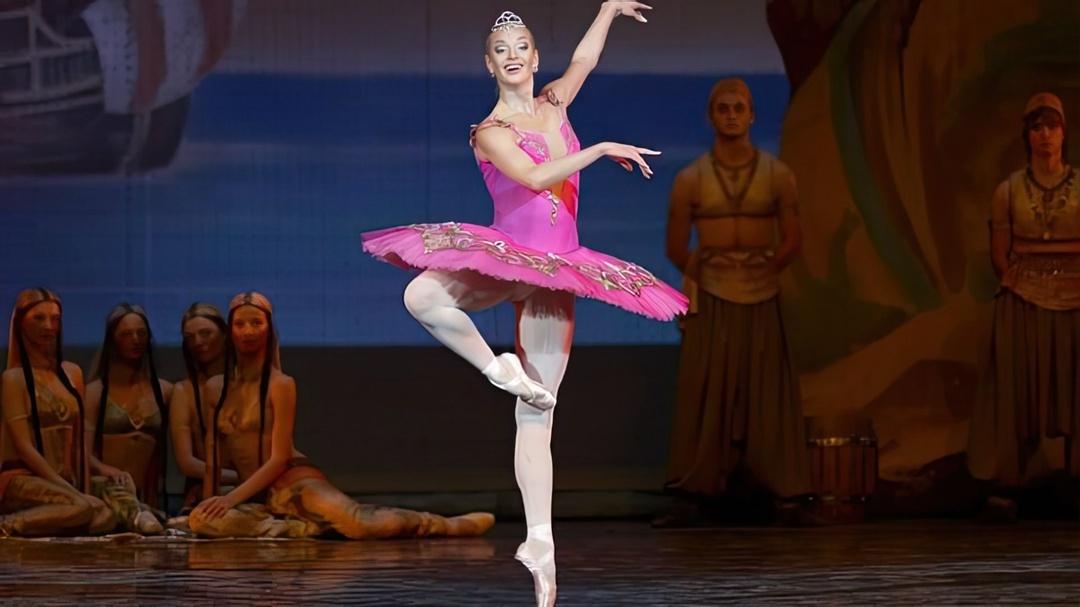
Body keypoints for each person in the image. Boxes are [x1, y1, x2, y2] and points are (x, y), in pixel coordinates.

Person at [361, 4, 685, 605]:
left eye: (521, 47)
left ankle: (541, 546)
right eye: (501, 50)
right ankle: (495, 367)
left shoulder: (556, 102)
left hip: (560, 269)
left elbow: (585, 60)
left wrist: (608, 9)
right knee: (421, 294)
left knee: (538, 414)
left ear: (535, 58)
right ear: (489, 65)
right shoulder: (489, 132)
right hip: (511, 257)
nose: (512, 56)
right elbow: (535, 180)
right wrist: (599, 148)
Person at [187, 292, 495, 540]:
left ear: (269, 329)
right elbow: (213, 455)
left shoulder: (281, 385)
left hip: (292, 482)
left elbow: (280, 458)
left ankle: (442, 524)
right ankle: (302, 529)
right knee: (200, 521)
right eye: (240, 324)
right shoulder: (215, 388)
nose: (248, 331)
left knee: (358, 524)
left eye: (256, 323)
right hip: (255, 495)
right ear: (230, 331)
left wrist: (229, 500)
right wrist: (210, 500)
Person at [662, 78, 810, 521]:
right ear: (712, 117)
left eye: (738, 108)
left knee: (768, 395)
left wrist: (767, 267)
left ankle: (782, 490)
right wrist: (707, 274)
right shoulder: (691, 179)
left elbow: (793, 238)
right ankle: (696, 489)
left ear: (752, 116)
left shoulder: (777, 175)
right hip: (712, 292)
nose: (730, 116)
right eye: (722, 108)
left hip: (762, 292)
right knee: (706, 392)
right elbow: (676, 246)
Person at [968, 92, 1080, 520]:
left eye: (1052, 126)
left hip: (1075, 299)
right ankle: (1008, 484)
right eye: (1037, 127)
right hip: (1024, 302)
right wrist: (1020, 282)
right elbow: (1000, 252)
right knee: (1016, 393)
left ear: (1064, 133)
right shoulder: (1008, 190)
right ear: (1027, 136)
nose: (1045, 135)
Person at [0, 288, 116, 536]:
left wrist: (83, 489)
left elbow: (78, 444)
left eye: (55, 319)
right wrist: (75, 494)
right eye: (39, 318)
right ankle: (7, 525)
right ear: (21, 323)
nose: (48, 326)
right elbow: (24, 447)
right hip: (22, 478)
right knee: (81, 507)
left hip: (63, 480)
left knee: (105, 517)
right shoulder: (14, 379)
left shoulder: (72, 373)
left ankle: (44, 524)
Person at [84, 303, 172, 532]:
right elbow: (81, 453)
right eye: (126, 334)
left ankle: (144, 512)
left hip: (144, 493)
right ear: (112, 340)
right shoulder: (95, 393)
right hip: (105, 487)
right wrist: (108, 470)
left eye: (141, 333)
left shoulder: (163, 391)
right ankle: (139, 515)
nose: (135, 340)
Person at [170, 302, 238, 513]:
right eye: (190, 337)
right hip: (209, 489)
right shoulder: (184, 392)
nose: (198, 342)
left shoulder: (249, 385)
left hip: (253, 485)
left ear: (225, 334)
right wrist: (244, 477)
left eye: (206, 333)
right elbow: (186, 462)